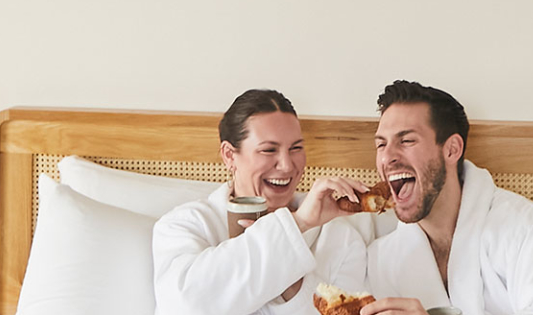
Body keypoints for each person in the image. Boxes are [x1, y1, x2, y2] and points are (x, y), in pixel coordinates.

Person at [361, 81, 533, 315]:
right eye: (381, 145)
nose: (387, 157)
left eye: (406, 141)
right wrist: (321, 221)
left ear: (452, 149)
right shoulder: (382, 260)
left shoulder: (522, 227)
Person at [154, 89, 373, 315]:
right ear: (229, 156)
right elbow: (186, 306)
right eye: (269, 150)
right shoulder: (184, 226)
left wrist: (288, 267)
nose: (287, 165)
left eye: (296, 148)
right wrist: (296, 225)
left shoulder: (340, 238)